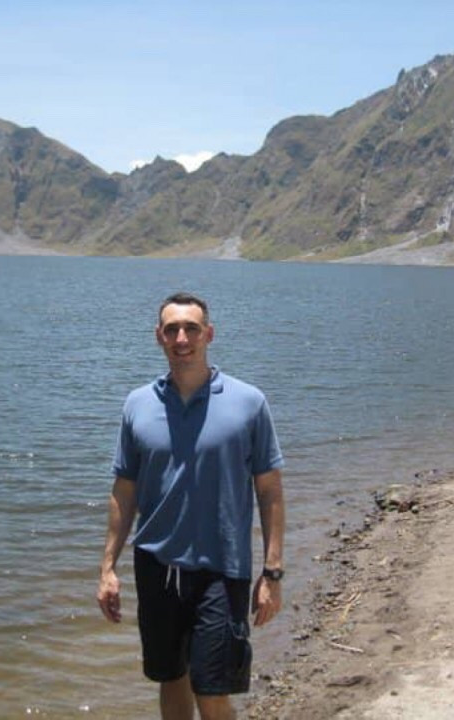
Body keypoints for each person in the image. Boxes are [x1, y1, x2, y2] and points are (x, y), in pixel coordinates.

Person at [97, 292, 285, 720]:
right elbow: (124, 490)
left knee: (212, 689)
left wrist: (272, 573)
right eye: (172, 330)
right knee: (171, 678)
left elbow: (270, 491)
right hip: (156, 566)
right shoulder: (138, 404)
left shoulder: (248, 402)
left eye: (191, 329)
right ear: (158, 337)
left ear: (209, 334)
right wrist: (107, 568)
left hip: (222, 567)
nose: (181, 338)